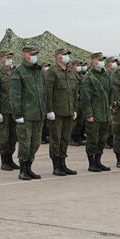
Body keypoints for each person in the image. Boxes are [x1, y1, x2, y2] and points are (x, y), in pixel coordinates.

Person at [9, 46, 47, 180]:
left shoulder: (39, 72)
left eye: (36, 53)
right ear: (25, 55)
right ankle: (23, 170)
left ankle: (29, 167)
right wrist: (17, 114)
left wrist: (45, 110)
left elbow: (43, 93)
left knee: (35, 143)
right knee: (25, 143)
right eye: (32, 54)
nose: (35, 56)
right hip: (26, 115)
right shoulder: (19, 72)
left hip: (38, 114)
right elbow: (15, 95)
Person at [43, 47, 79, 176]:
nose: (66, 57)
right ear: (58, 56)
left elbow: (74, 92)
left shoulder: (70, 71)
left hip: (68, 111)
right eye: (64, 54)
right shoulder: (52, 72)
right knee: (55, 139)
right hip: (57, 112)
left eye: (67, 54)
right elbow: (47, 93)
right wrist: (49, 110)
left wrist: (74, 109)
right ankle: (56, 165)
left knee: (65, 139)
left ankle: (63, 163)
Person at [0, 51, 18, 170]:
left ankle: (10, 159)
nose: (10, 59)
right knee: (4, 137)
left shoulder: (15, 73)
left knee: (13, 136)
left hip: (14, 111)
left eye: (11, 57)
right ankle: (4, 161)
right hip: (4, 111)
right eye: (7, 57)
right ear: (1, 59)